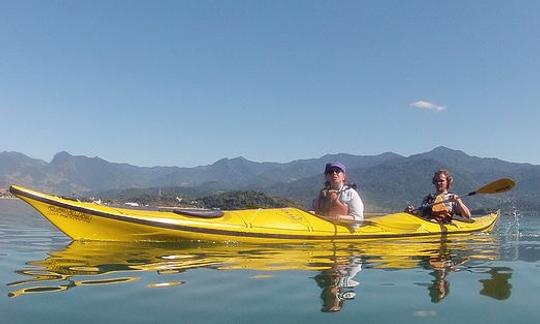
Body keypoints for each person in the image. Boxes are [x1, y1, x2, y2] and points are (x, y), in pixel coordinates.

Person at [405, 169, 471, 223]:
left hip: (439, 224)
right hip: (425, 224)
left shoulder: (452, 198)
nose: (438, 183)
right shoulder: (427, 198)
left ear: (448, 182)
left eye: (441, 181)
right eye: (436, 181)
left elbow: (467, 217)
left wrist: (459, 202)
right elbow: (420, 214)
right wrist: (412, 212)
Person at [314, 162, 364, 226]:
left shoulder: (351, 194)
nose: (334, 173)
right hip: (324, 228)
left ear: (343, 176)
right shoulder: (322, 194)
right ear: (327, 177)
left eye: (337, 171)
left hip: (345, 230)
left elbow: (359, 218)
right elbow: (312, 209)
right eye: (331, 172)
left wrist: (341, 218)